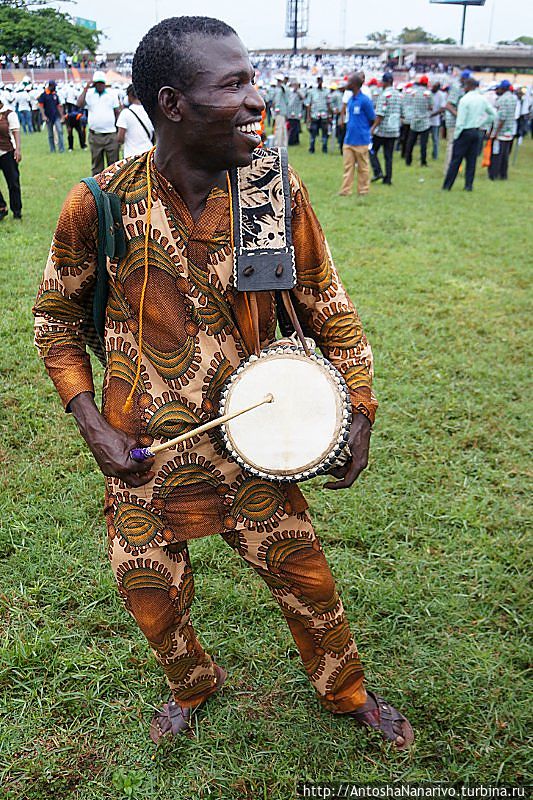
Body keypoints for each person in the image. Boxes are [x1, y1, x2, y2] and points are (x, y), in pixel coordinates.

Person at [34, 15, 414, 751]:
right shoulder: (100, 202)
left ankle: (348, 692)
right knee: (151, 597)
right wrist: (93, 424)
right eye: (233, 84)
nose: (255, 99)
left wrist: (358, 407)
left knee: (308, 583)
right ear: (173, 103)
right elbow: (54, 321)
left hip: (259, 447)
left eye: (253, 79)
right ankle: (191, 685)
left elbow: (327, 305)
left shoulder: (270, 189)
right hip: (141, 460)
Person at [442, 78, 496, 192]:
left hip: (464, 131)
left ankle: (447, 185)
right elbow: (493, 114)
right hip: (476, 131)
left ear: (468, 86)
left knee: (456, 160)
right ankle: (468, 185)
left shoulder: (464, 100)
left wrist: (456, 136)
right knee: (471, 161)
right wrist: (482, 123)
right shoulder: (482, 99)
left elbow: (461, 121)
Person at [338, 72, 375, 197]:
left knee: (363, 167)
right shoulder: (350, 100)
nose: (346, 84)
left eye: (349, 82)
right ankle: (345, 190)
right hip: (349, 139)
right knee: (348, 167)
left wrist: (366, 130)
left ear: (354, 85)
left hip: (361, 140)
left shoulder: (365, 101)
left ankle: (363, 190)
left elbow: (372, 118)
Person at [77, 70, 120, 175]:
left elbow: (117, 112)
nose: (100, 85)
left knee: (114, 167)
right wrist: (86, 88)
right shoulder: (89, 94)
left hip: (111, 135)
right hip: (95, 135)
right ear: (94, 84)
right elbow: (79, 104)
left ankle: (112, 190)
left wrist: (118, 132)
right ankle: (97, 190)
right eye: (97, 83)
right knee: (97, 167)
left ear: (104, 83)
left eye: (101, 83)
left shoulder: (112, 94)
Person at [369, 72, 401, 185]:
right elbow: (401, 113)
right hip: (394, 130)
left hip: (382, 131)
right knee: (389, 156)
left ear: (386, 82)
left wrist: (373, 128)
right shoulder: (399, 95)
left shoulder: (384, 95)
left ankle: (378, 171)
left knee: (371, 151)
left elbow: (380, 115)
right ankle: (388, 179)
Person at [442, 69, 470, 174]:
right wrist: (459, 116)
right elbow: (448, 105)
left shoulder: (464, 89)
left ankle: (455, 169)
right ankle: (448, 170)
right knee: (452, 145)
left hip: (460, 122)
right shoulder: (456, 88)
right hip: (453, 122)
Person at [116, 84, 154, 158]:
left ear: (130, 95)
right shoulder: (150, 112)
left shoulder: (125, 113)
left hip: (131, 156)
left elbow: (120, 138)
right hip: (148, 154)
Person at [0, 93, 22, 220]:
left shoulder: (9, 114)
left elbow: (16, 132)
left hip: (7, 152)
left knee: (13, 182)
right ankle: (1, 207)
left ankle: (17, 211)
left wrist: (18, 150)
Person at [488, 81, 516, 181]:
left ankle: (494, 174)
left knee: (496, 154)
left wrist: (495, 132)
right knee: (505, 155)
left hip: (500, 132)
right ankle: (503, 175)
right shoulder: (513, 98)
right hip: (509, 130)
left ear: (503, 89)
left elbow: (502, 117)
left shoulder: (502, 99)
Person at [405, 75, 432, 167]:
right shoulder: (428, 94)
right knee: (423, 144)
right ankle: (423, 162)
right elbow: (430, 107)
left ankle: (408, 160)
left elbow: (409, 103)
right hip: (424, 121)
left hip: (414, 119)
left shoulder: (413, 92)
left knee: (411, 142)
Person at [38, 80, 65, 153]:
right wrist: (43, 116)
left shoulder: (55, 95)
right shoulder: (43, 95)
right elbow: (41, 106)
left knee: (60, 131)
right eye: (54, 86)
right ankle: (52, 149)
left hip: (56, 116)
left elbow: (58, 106)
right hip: (48, 117)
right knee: (50, 134)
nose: (55, 88)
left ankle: (61, 149)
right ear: (51, 86)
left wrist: (62, 116)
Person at [306, 76, 330, 154]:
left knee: (324, 133)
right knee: (313, 133)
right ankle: (312, 148)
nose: (320, 83)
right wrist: (308, 116)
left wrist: (329, 115)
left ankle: (324, 148)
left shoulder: (326, 92)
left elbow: (328, 104)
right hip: (314, 115)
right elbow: (308, 104)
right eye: (318, 81)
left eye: (321, 81)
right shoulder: (312, 92)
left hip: (324, 115)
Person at [271, 74, 288, 148]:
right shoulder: (284, 88)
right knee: (283, 128)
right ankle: (284, 144)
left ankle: (277, 144)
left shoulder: (279, 89)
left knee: (278, 128)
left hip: (279, 111)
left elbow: (276, 100)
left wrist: (276, 108)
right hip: (284, 110)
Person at [286, 81, 305, 146]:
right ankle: (291, 141)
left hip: (297, 113)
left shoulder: (300, 92)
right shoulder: (290, 92)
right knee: (293, 127)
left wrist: (297, 91)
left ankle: (295, 141)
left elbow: (303, 97)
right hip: (290, 113)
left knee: (296, 128)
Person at [430, 81, 445, 160]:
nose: (433, 88)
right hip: (426, 120)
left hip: (435, 121)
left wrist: (432, 115)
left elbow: (442, 108)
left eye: (435, 87)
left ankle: (435, 155)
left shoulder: (441, 95)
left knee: (435, 139)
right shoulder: (428, 93)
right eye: (433, 86)